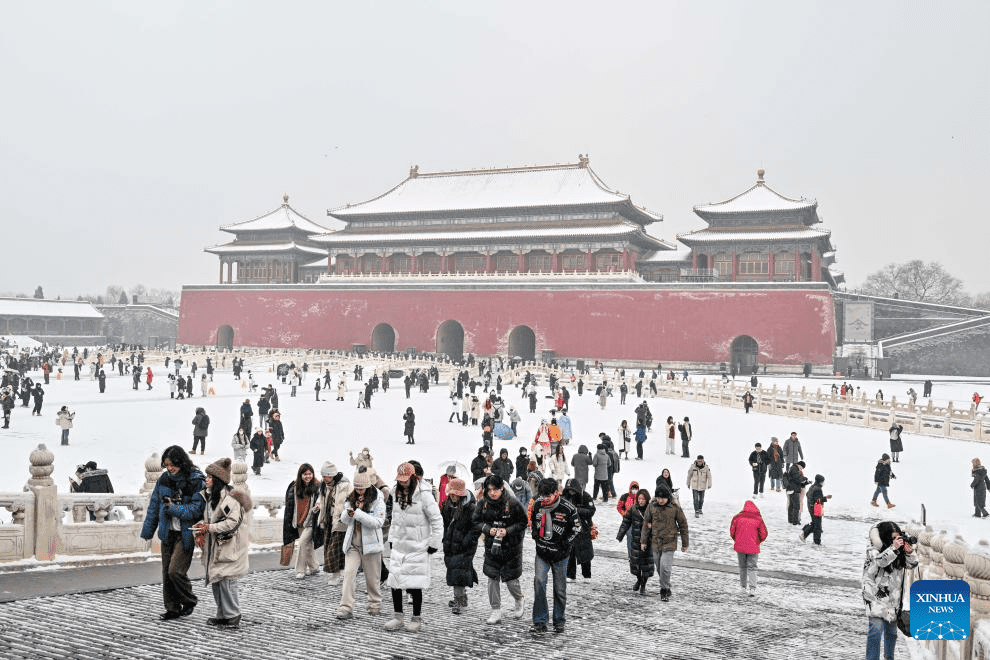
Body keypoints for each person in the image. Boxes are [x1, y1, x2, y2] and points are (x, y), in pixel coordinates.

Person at [140, 446, 206, 620]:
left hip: (186, 533)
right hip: (168, 532)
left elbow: (197, 509)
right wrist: (148, 531)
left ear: (181, 462)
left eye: (172, 464)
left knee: (175, 571)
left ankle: (189, 599)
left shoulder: (195, 480)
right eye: (166, 464)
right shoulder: (164, 479)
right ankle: (172, 608)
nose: (169, 468)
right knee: (166, 573)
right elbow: (154, 506)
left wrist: (174, 508)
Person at [191, 458, 251, 628]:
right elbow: (209, 519)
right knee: (217, 580)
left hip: (229, 546)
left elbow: (232, 522)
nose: (206, 480)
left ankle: (233, 615)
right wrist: (200, 528)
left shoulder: (230, 499)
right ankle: (222, 614)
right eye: (206, 476)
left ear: (218, 480)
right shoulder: (210, 497)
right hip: (215, 547)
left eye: (210, 477)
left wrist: (208, 528)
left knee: (227, 581)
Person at [383, 462, 443, 633]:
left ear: (413, 477)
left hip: (418, 545)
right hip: (400, 544)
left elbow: (437, 520)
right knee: (395, 581)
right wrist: (392, 538)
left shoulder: (424, 495)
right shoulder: (396, 492)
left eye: (405, 480)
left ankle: (416, 618)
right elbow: (394, 517)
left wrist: (434, 543)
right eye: (400, 480)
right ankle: (397, 616)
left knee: (415, 583)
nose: (402, 483)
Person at [472, 474, 528, 625]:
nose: (492, 493)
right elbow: (475, 521)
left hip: (511, 548)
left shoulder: (513, 503)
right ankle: (495, 610)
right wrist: (487, 529)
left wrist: (507, 531)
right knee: (492, 578)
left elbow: (523, 522)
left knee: (511, 580)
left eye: (495, 489)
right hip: (492, 547)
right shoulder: (483, 503)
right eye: (489, 490)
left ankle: (519, 598)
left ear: (502, 488)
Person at [529, 477, 579, 634]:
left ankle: (559, 620)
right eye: (543, 496)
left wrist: (566, 542)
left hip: (560, 556)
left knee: (559, 589)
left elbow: (577, 529)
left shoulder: (568, 508)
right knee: (539, 582)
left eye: (548, 496)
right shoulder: (537, 505)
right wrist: (536, 535)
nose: (545, 499)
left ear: (557, 493)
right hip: (542, 552)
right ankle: (540, 620)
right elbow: (532, 522)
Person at [335, 467, 386, 620]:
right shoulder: (351, 498)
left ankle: (374, 604)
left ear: (368, 486)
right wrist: (348, 513)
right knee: (348, 575)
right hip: (353, 545)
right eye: (357, 487)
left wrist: (359, 514)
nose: (359, 490)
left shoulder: (378, 499)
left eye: (362, 487)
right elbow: (344, 520)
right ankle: (346, 607)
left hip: (371, 545)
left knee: (373, 578)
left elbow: (378, 522)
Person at [863, 521, 917, 660]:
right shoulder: (874, 551)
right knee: (876, 630)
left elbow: (911, 565)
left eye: (898, 537)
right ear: (885, 537)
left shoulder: (897, 552)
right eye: (893, 538)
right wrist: (894, 547)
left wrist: (909, 552)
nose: (896, 541)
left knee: (891, 634)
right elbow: (880, 562)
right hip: (875, 597)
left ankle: (889, 657)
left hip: (893, 600)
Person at [641, 485, 688, 603]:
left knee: (665, 568)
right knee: (659, 567)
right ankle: (666, 584)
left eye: (663, 498)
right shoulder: (652, 506)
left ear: (668, 498)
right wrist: (643, 541)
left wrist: (685, 543)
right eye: (658, 498)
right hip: (656, 543)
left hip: (669, 543)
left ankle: (664, 590)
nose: (660, 500)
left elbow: (683, 525)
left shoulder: (675, 508)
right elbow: (646, 524)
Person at [441, 478, 480, 615]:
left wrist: (466, 541)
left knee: (459, 572)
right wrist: (444, 539)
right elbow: (444, 524)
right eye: (451, 493)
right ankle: (461, 598)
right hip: (450, 544)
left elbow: (476, 528)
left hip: (465, 547)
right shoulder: (447, 506)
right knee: (453, 570)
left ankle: (459, 600)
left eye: (455, 494)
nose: (453, 496)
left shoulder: (471, 508)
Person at [283, 463, 324, 579]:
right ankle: (314, 567)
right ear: (300, 475)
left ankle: (300, 570)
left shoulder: (318, 487)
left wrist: (318, 506)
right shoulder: (294, 487)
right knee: (307, 545)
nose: (308, 476)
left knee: (302, 543)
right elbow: (289, 504)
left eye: (310, 474)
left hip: (312, 521)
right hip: (299, 521)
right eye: (305, 474)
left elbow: (323, 500)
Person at [316, 461, 351, 586]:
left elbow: (350, 500)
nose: (325, 479)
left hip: (340, 521)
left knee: (334, 549)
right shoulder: (325, 485)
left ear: (334, 475)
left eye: (328, 476)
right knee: (330, 548)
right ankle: (339, 572)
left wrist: (345, 514)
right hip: (329, 520)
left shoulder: (345, 485)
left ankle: (334, 575)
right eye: (324, 476)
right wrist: (318, 506)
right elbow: (322, 498)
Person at [616, 489, 654, 594]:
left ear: (647, 499)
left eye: (643, 499)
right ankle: (638, 579)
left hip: (648, 542)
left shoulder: (652, 510)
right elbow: (626, 522)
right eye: (639, 499)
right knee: (635, 564)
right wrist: (620, 535)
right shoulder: (633, 509)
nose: (641, 501)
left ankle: (643, 585)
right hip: (635, 540)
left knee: (646, 565)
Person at [729, 499, 768, 596]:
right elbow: (764, 534)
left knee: (742, 567)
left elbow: (732, 532)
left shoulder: (737, 518)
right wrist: (757, 542)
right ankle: (752, 588)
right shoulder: (758, 519)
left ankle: (743, 587)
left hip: (740, 547)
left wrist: (737, 540)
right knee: (752, 567)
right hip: (753, 547)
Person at [562, 478, 595, 582]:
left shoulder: (586, 496)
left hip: (583, 528)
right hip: (569, 528)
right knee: (570, 552)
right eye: (569, 490)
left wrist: (576, 510)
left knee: (585, 552)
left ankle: (587, 575)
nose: (571, 492)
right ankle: (570, 575)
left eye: (572, 490)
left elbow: (591, 510)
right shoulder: (564, 497)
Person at [799, 474, 831, 545]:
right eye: (823, 481)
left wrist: (811, 504)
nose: (823, 483)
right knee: (817, 525)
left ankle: (804, 535)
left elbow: (808, 495)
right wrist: (826, 498)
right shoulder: (818, 489)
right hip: (816, 508)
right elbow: (818, 500)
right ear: (820, 481)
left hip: (811, 507)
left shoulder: (812, 487)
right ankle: (816, 542)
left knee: (815, 524)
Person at [785, 460, 810, 525]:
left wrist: (806, 482)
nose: (801, 469)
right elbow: (797, 479)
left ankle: (791, 520)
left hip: (792, 489)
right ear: (799, 465)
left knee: (792, 505)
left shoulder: (794, 468)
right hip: (794, 490)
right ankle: (795, 521)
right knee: (796, 506)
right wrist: (804, 478)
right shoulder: (794, 469)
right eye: (801, 467)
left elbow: (797, 481)